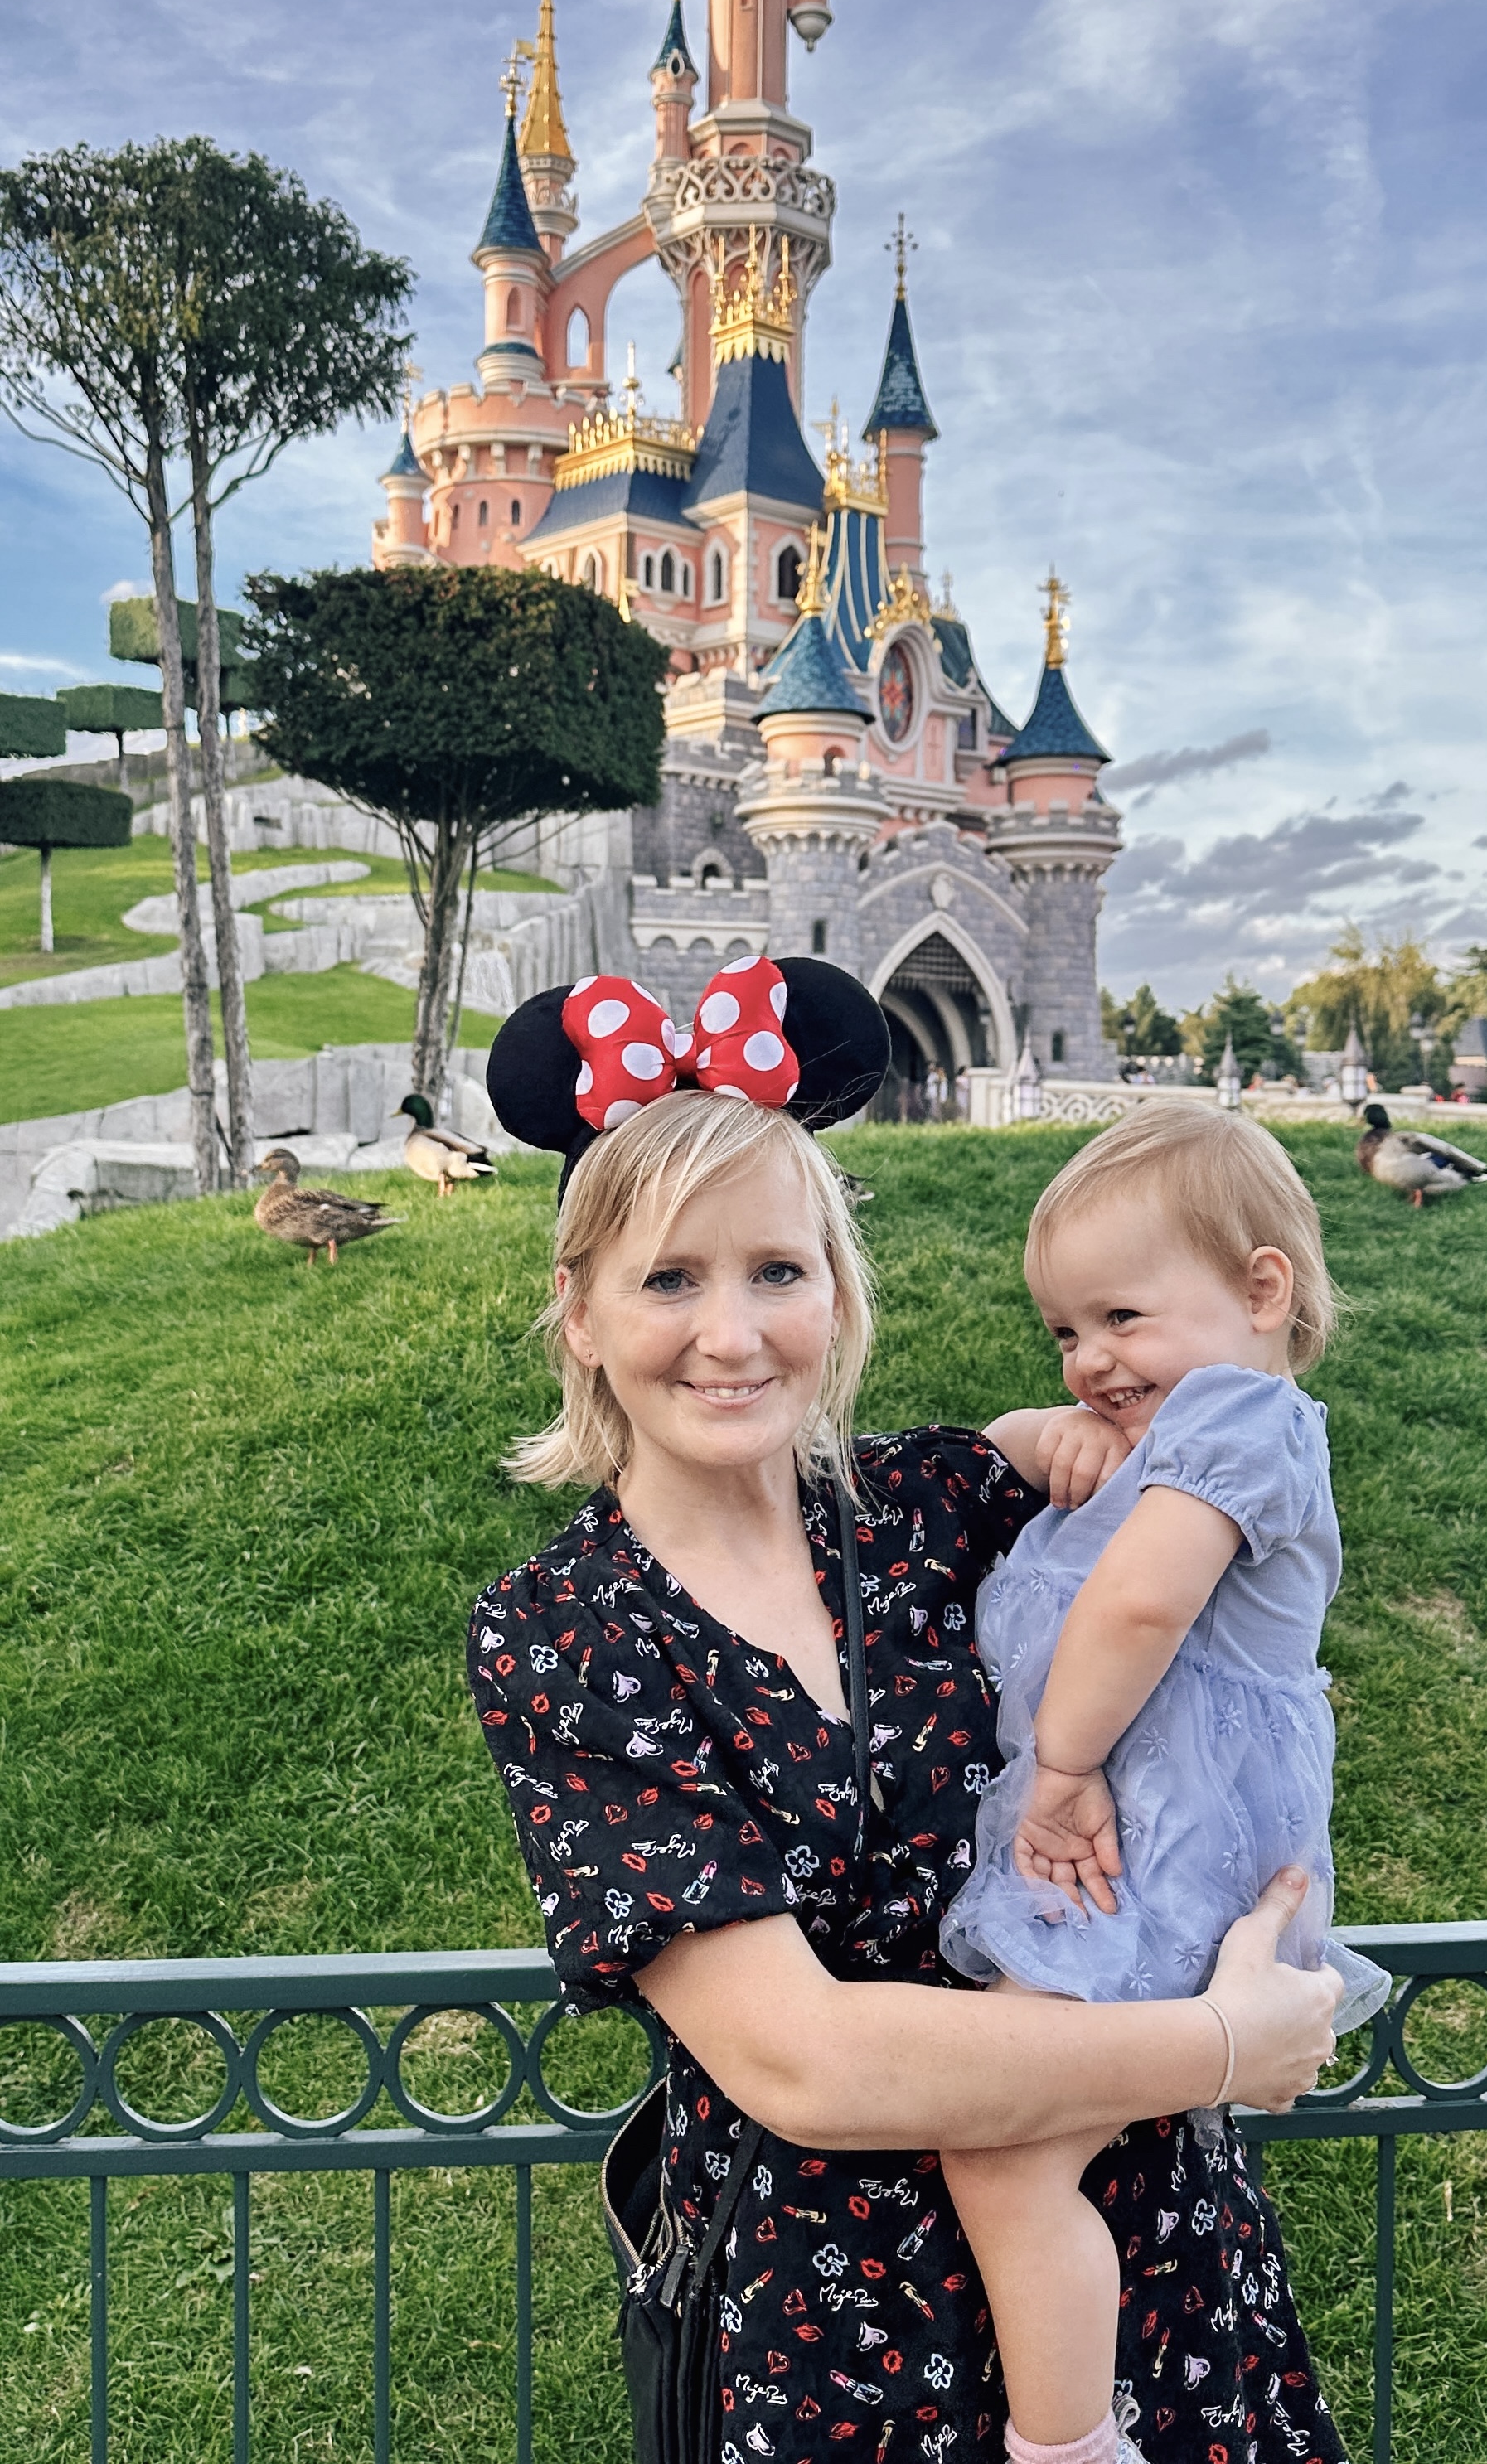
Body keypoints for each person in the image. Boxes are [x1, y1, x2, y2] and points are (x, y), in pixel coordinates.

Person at [470, 961, 1352, 2464]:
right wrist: (1217, 2045)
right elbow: (807, 2061)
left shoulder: (944, 1504)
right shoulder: (566, 1632)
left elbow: (1203, 1570)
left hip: (1140, 2267)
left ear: (836, 1288)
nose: (733, 1335)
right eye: (670, 1280)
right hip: (844, 2328)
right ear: (582, 1313)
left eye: (778, 1271)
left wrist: (1087, 1437)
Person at [938, 1105, 1388, 2464]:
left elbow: (1137, 1608)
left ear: (1263, 1291)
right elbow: (1022, 1478)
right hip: (1136, 1843)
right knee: (1005, 2148)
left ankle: (1070, 2445)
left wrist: (1065, 1769)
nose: (1090, 1361)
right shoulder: (1175, 1438)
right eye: (1064, 1333)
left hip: (1159, 1846)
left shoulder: (1243, 1417)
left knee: (1004, 2151)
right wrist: (1042, 1433)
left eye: (1121, 1318)